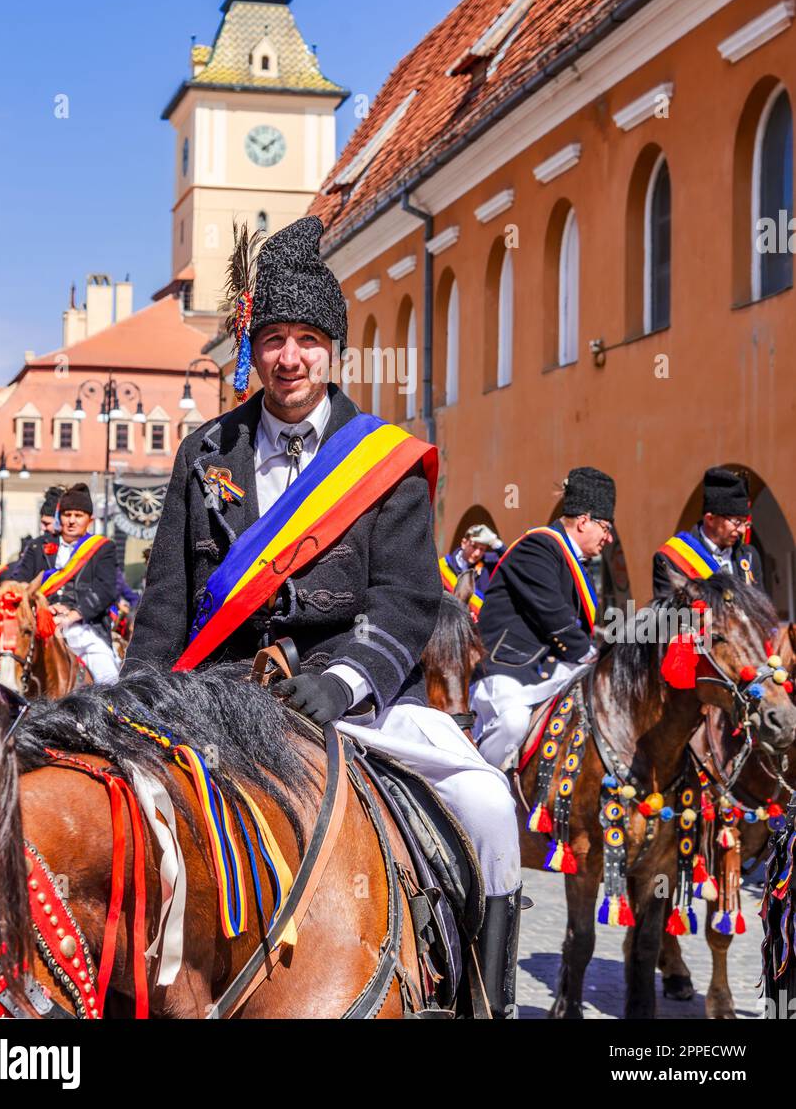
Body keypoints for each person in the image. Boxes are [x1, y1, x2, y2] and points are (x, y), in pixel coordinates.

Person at [127, 214, 522, 1017]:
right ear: (255, 348)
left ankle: (487, 1004)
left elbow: (407, 598)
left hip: (356, 705)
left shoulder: (387, 461)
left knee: (486, 810)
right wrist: (133, 705)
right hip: (219, 702)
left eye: (307, 338)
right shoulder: (204, 454)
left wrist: (343, 680)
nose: (289, 358)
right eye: (274, 338)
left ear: (332, 349)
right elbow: (168, 599)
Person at [472, 467, 616, 770]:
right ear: (584, 521)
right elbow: (551, 612)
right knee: (513, 723)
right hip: (511, 669)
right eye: (606, 527)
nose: (610, 537)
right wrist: (590, 654)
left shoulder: (573, 560)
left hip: (550, 671)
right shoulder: (538, 546)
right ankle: (485, 783)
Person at [11, 483, 119, 683]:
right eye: (67, 514)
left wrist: (71, 615)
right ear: (60, 516)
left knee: (109, 679)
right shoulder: (37, 547)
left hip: (85, 628)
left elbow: (105, 590)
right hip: (41, 625)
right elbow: (19, 583)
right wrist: (44, 608)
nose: (71, 521)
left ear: (90, 520)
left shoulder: (103, 549)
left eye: (78, 516)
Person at [652, 466, 764, 599]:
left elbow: (760, 609)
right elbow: (669, 615)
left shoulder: (749, 556)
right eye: (736, 522)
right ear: (710, 519)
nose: (742, 530)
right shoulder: (671, 559)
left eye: (745, 523)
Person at [440, 523, 504, 605]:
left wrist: (494, 541)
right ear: (463, 543)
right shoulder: (444, 565)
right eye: (474, 546)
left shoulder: (487, 562)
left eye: (482, 549)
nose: (477, 553)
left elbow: (510, 559)